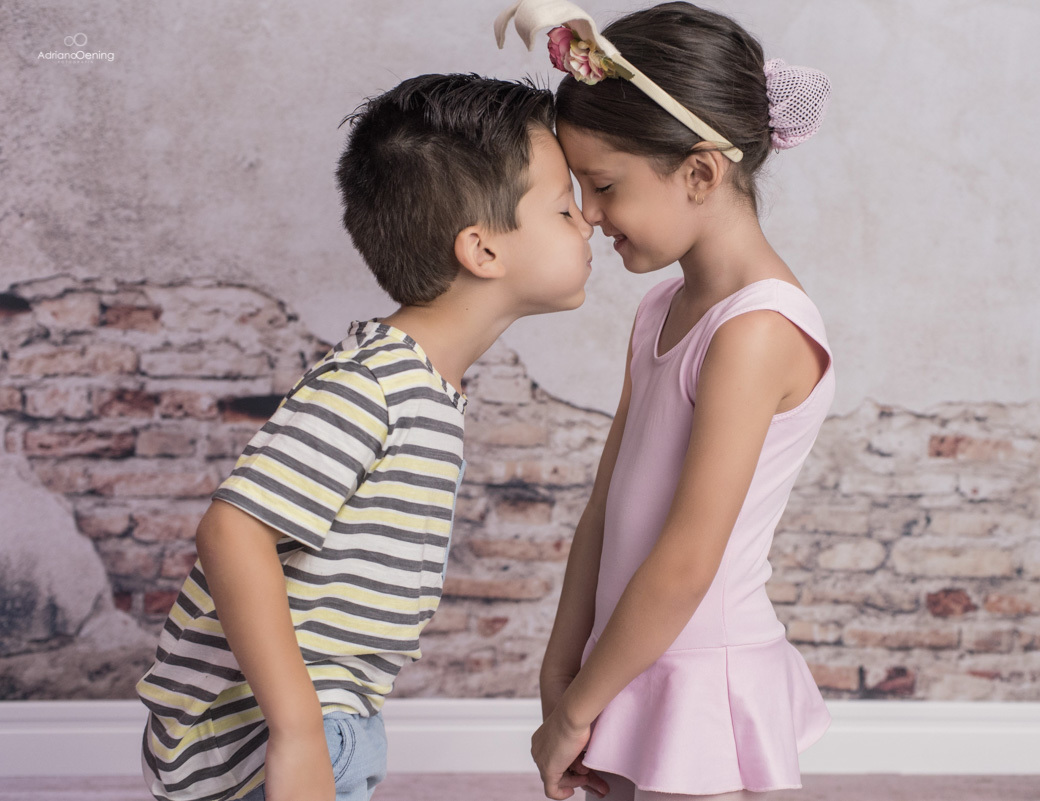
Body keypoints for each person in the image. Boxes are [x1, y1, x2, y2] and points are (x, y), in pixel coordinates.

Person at [135, 73, 594, 801]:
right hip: (271, 730)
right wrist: (298, 731)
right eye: (566, 209)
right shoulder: (372, 383)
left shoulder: (420, 384)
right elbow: (231, 531)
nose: (590, 221)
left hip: (328, 716)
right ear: (482, 249)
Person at [496, 2, 835, 799]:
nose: (587, 214)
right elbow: (606, 511)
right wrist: (562, 673)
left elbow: (685, 562)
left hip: (698, 678)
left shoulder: (756, 331)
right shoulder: (660, 311)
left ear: (700, 172)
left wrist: (577, 709)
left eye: (604, 185)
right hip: (631, 660)